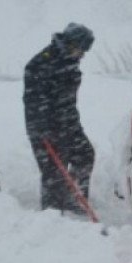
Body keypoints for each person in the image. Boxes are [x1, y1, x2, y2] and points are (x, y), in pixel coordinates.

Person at [23, 23, 96, 213]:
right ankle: (52, 213)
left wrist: (70, 121)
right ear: (71, 43)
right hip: (45, 127)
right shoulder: (41, 64)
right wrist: (41, 128)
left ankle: (73, 197)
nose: (83, 55)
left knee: (85, 154)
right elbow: (32, 101)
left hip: (69, 122)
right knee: (54, 170)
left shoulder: (69, 61)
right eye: (81, 49)